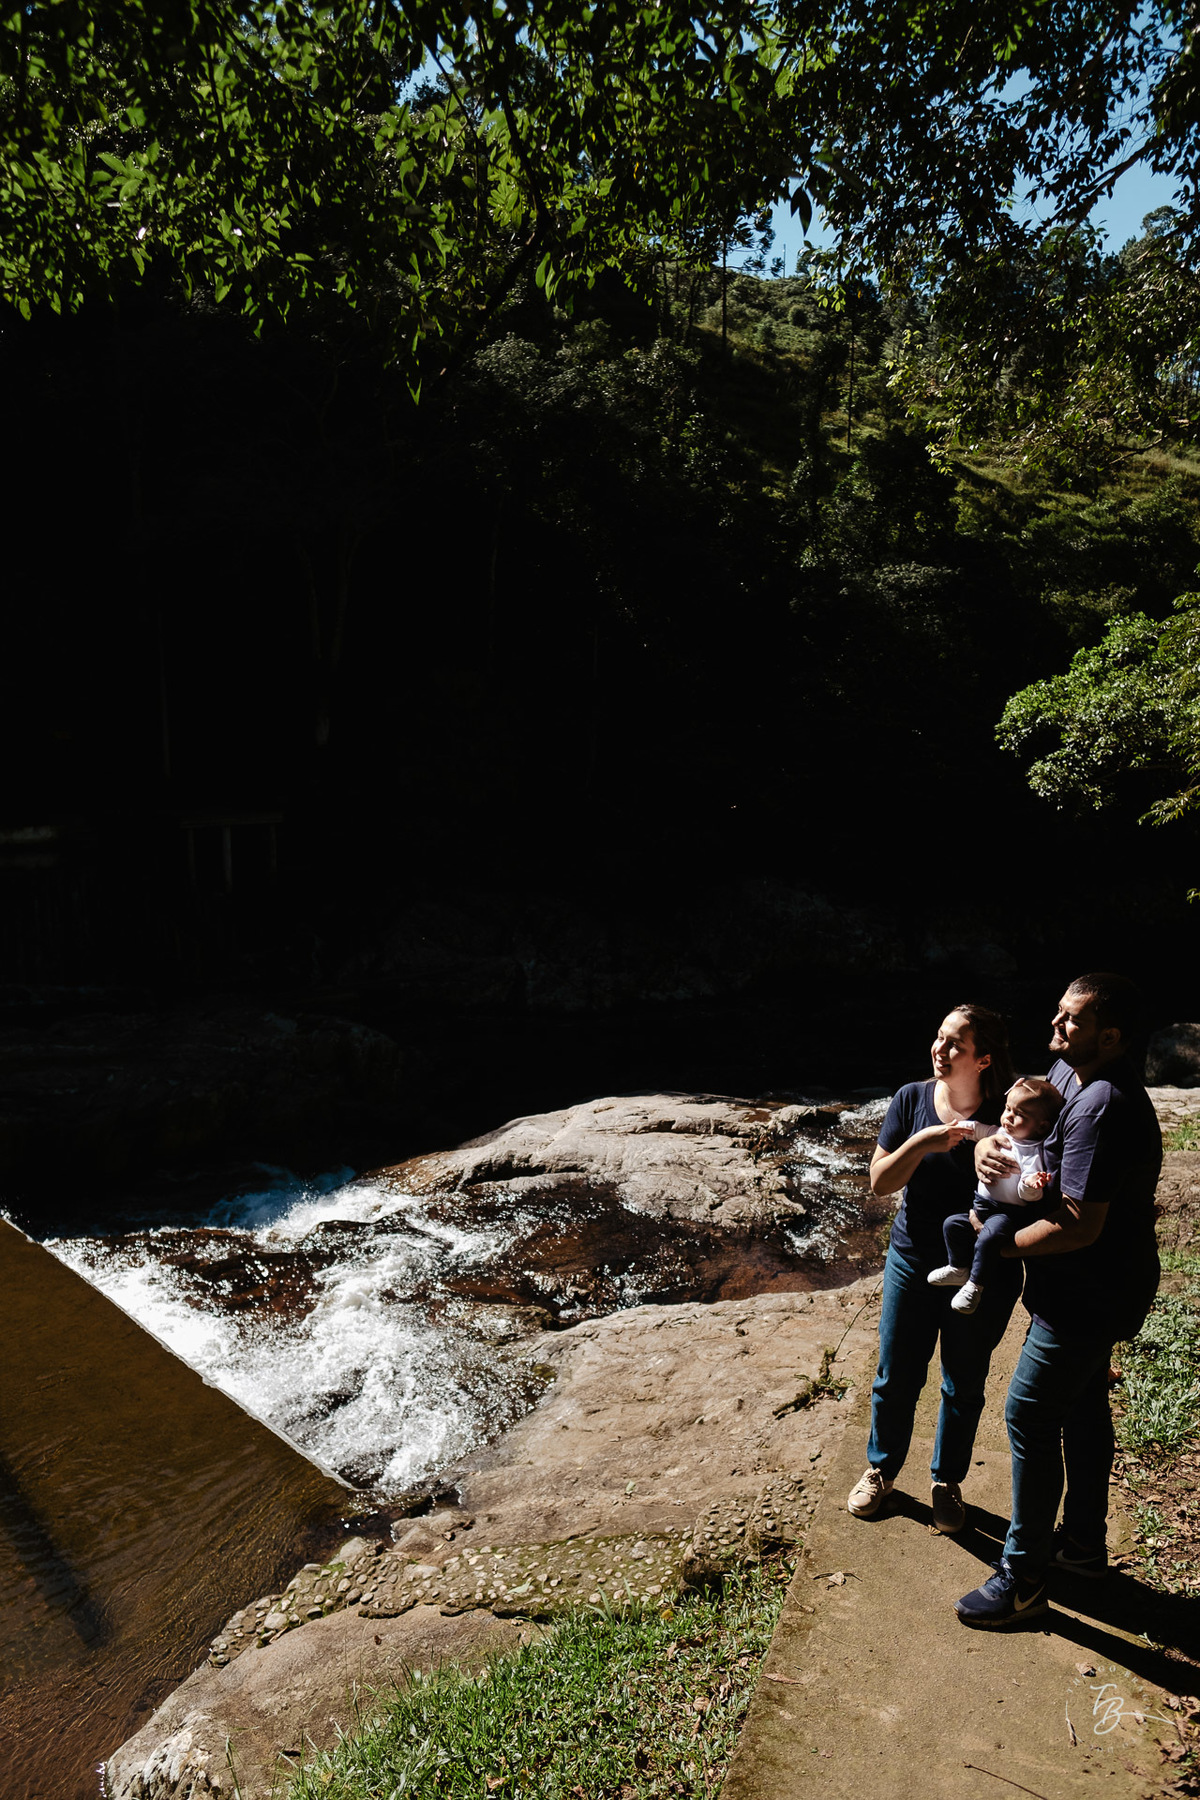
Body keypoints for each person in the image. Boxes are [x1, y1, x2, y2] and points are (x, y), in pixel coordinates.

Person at [955, 973, 1162, 1628]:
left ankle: (1023, 1579)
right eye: (1060, 1013)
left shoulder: (1103, 1104)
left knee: (1029, 1414)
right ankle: (1083, 1546)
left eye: (1072, 1020)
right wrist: (990, 1147)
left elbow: (1078, 1225)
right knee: (1081, 1406)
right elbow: (1025, 1125)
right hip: (1084, 1287)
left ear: (1112, 1037)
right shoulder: (1068, 1074)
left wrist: (997, 1245)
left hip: (1089, 1294)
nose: (1056, 1024)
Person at [847, 1003, 1017, 1535]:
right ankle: (881, 1469)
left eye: (955, 1045)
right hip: (912, 1259)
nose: (939, 1050)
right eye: (939, 1037)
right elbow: (880, 1181)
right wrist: (924, 1141)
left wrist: (994, 1144)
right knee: (895, 1373)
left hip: (981, 1272)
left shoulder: (1011, 1112)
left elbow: (1037, 1177)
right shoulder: (911, 1099)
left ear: (983, 1060)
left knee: (963, 1381)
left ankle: (946, 1482)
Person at [927, 1077, 1062, 1316]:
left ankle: (974, 1286)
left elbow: (1028, 1196)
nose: (1008, 1116)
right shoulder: (999, 1133)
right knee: (952, 1225)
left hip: (1007, 1213)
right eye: (1007, 1109)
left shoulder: (1032, 1153)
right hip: (981, 1206)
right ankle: (958, 1268)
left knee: (988, 1238)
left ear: (1041, 1126)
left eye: (1019, 1114)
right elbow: (978, 1129)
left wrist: (1031, 1185)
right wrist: (958, 1128)